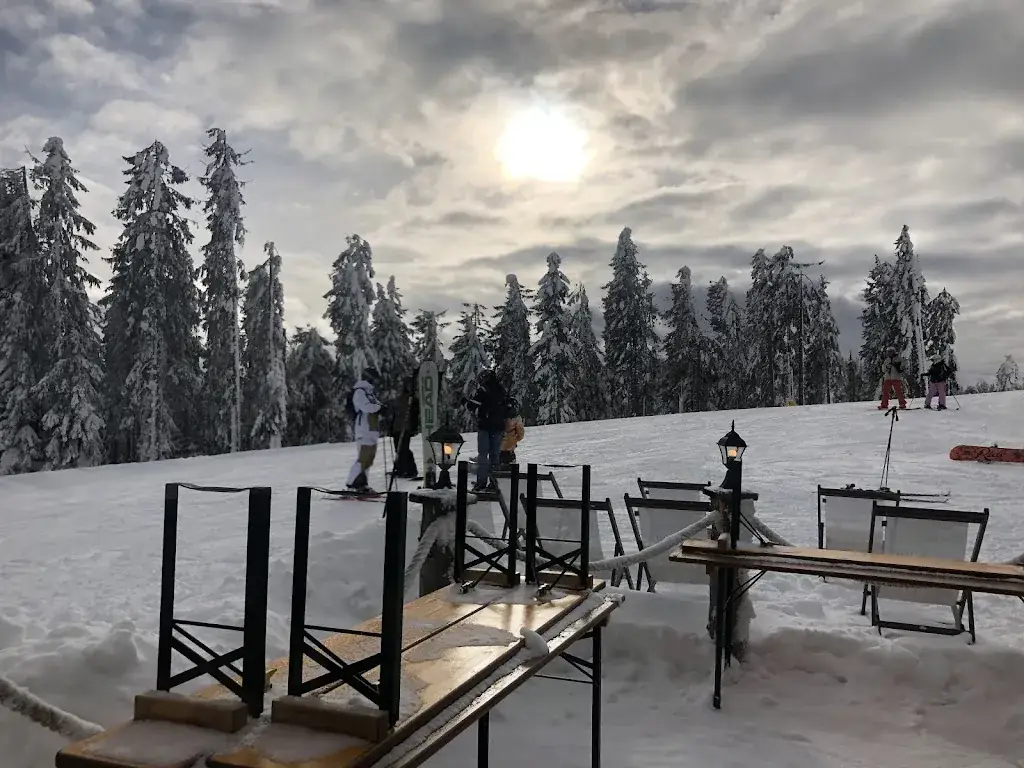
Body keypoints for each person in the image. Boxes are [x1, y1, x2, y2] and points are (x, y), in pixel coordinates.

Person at [464, 369, 510, 492]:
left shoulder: (483, 390)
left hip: (485, 426)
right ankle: (494, 483)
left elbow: (471, 405)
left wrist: (466, 402)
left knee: (483, 455)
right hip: (499, 426)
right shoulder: (501, 390)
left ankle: (481, 482)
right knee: (495, 455)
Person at [346, 367, 382, 492]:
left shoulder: (370, 392)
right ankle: (352, 483)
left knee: (369, 458)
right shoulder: (360, 391)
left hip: (372, 429)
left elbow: (376, 405)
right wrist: (379, 408)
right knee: (363, 458)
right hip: (364, 429)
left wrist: (382, 408)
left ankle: (362, 482)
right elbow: (365, 407)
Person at [390, 372, 420, 478]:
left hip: (406, 427)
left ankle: (411, 469)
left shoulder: (413, 400)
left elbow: (415, 415)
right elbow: (394, 413)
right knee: (398, 448)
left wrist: (414, 427)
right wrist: (391, 426)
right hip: (397, 427)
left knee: (404, 449)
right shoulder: (400, 398)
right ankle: (400, 468)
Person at [878, 345, 907, 410]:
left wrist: (898, 366)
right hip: (888, 377)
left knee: (898, 391)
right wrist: (887, 367)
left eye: (891, 352)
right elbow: (883, 370)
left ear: (894, 352)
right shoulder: (887, 360)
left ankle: (902, 404)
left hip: (896, 377)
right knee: (885, 392)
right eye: (888, 352)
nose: (890, 353)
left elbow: (903, 366)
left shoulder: (899, 358)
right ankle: (884, 404)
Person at [499, 398, 525, 467]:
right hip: (510, 448)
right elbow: (520, 434)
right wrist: (516, 439)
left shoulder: (497, 417)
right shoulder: (516, 418)